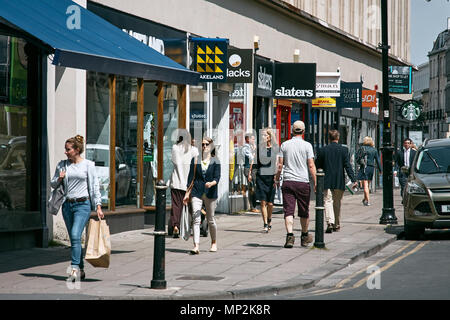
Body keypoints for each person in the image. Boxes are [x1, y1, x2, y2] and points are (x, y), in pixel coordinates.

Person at [50, 135, 103, 282]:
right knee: (75, 240)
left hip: (83, 205)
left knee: (74, 235)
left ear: (77, 150)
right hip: (67, 205)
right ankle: (81, 267)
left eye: (68, 149)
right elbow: (53, 184)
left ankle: (74, 268)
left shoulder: (88, 165)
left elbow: (94, 187)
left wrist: (98, 206)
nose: (65, 152)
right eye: (65, 150)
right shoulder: (62, 165)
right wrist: (59, 178)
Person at [275, 121, 316, 248]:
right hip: (303, 182)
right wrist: (316, 182)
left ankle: (290, 237)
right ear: (303, 131)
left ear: (292, 130)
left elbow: (280, 165)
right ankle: (304, 237)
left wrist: (276, 179)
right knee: (304, 211)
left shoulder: (285, 145)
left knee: (288, 211)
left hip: (288, 181)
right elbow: (311, 165)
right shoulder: (307, 146)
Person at [315, 130, 358, 233]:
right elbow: (348, 166)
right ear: (338, 138)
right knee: (337, 202)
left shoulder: (322, 150)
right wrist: (353, 179)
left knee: (327, 201)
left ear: (328, 138)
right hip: (339, 180)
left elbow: (317, 165)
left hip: (326, 180)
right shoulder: (343, 150)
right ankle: (336, 224)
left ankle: (330, 222)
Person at [183, 137, 220, 254]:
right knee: (196, 218)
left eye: (207, 144)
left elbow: (217, 177)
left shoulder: (215, 161)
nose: (204, 147)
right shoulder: (195, 160)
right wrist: (187, 194)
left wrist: (212, 183)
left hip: (210, 193)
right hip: (197, 191)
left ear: (211, 146)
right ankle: (196, 246)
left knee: (211, 220)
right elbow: (190, 179)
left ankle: (213, 242)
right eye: (202, 145)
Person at [169, 132, 199, 238]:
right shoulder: (194, 150)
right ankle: (191, 225)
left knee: (176, 205)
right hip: (189, 183)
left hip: (177, 181)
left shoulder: (175, 148)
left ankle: (176, 226)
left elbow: (174, 162)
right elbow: (196, 166)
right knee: (191, 205)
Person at [255, 128, 279, 233]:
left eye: (265, 135)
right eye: (262, 135)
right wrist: (253, 173)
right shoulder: (259, 148)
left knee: (270, 203)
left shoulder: (275, 148)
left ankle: (269, 219)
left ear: (269, 137)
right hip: (261, 177)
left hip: (271, 178)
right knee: (262, 202)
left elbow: (277, 163)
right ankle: (265, 223)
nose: (263, 137)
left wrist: (276, 177)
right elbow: (255, 162)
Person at [357, 136, 382, 207]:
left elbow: (357, 157)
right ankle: (365, 199)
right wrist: (380, 170)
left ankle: (367, 200)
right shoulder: (374, 150)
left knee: (365, 185)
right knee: (367, 184)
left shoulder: (362, 148)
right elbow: (378, 160)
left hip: (364, 167)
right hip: (371, 168)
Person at [241, 132, 259, 213]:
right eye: (252, 139)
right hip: (248, 169)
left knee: (253, 187)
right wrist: (255, 152)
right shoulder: (246, 148)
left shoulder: (250, 147)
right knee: (252, 188)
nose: (254, 140)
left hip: (252, 169)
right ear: (248, 139)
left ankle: (253, 206)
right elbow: (252, 158)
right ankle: (252, 207)